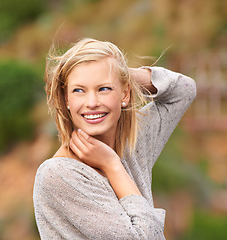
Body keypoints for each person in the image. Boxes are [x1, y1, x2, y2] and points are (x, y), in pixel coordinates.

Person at [33, 38, 196, 239]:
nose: (92, 103)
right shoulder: (58, 176)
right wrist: (113, 166)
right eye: (78, 90)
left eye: (103, 89)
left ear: (125, 93)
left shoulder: (133, 143)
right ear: (67, 99)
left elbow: (184, 90)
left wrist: (119, 73)